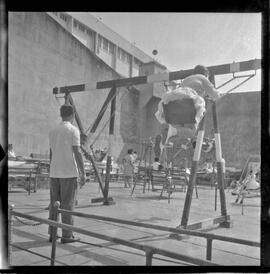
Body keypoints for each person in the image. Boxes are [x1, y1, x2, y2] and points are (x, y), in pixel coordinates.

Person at [155, 65, 221, 164]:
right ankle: (173, 132)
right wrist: (219, 96)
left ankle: (163, 142)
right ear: (205, 74)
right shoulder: (203, 78)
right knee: (191, 131)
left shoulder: (186, 80)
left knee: (181, 131)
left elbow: (180, 92)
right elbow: (215, 95)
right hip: (188, 102)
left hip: (171, 103)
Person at [48, 104, 86, 244]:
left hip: (54, 172)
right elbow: (77, 152)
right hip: (68, 173)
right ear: (72, 115)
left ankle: (52, 234)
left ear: (61, 114)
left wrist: (52, 169)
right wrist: (83, 173)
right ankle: (67, 235)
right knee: (67, 205)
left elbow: (52, 153)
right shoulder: (73, 130)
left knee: (54, 205)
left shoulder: (53, 130)